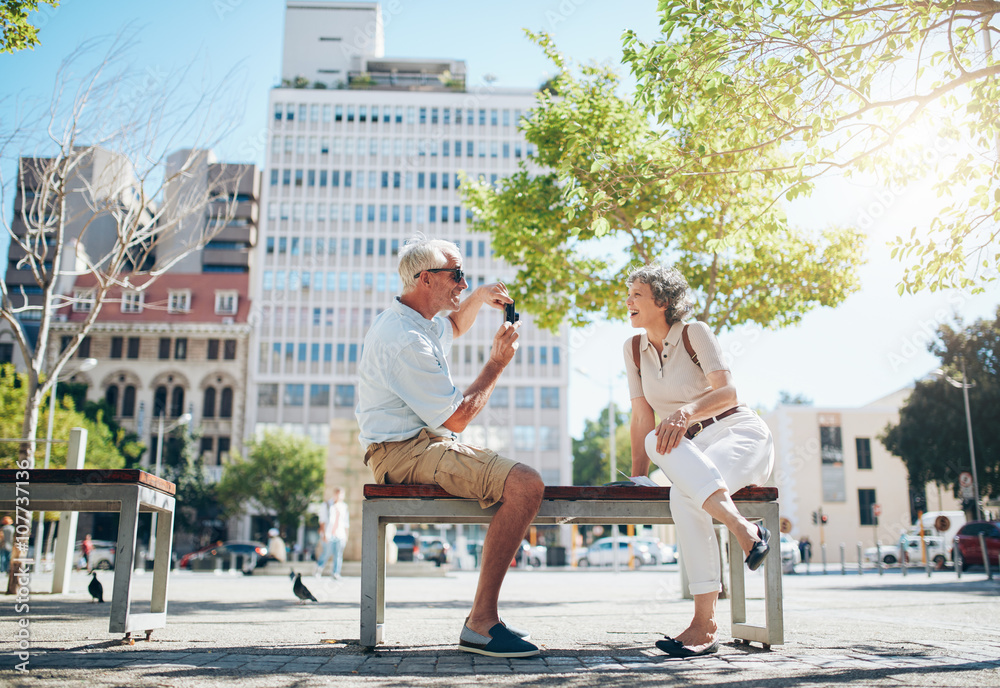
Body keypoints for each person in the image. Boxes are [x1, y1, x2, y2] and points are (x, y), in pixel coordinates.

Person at [356, 236, 544, 658]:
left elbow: (456, 325)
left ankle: (484, 619)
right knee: (526, 485)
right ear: (426, 279)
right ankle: (482, 624)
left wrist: (478, 296)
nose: (462, 282)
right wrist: (495, 364)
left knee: (520, 481)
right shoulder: (405, 339)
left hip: (420, 443)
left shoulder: (420, 319)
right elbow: (457, 418)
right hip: (402, 451)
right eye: (457, 275)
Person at [624, 264, 774, 658]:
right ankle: (744, 533)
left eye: (637, 294)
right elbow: (642, 415)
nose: (628, 302)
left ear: (663, 301)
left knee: (683, 494)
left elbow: (728, 392)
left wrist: (685, 413)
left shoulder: (695, 332)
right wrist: (638, 479)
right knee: (662, 450)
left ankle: (703, 622)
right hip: (690, 449)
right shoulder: (632, 349)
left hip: (737, 432)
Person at [315, 488, 348, 578]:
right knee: (326, 553)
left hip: (340, 534)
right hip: (329, 534)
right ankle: (319, 569)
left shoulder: (344, 507)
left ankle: (336, 573)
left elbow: (345, 522)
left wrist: (346, 536)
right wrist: (324, 533)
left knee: (338, 555)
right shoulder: (327, 505)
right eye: (337, 494)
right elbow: (322, 520)